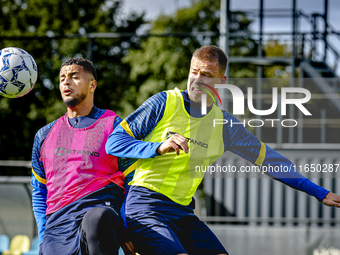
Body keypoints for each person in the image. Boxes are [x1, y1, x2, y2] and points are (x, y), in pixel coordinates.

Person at [105, 45, 340, 255]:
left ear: (221, 81)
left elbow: (271, 161)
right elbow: (114, 143)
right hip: (145, 205)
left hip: (182, 212)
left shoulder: (226, 126)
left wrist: (321, 193)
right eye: (193, 72)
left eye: (206, 75)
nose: (197, 80)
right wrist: (158, 147)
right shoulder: (163, 103)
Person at [31, 58, 136, 255]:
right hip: (58, 227)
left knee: (95, 219)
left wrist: (127, 226)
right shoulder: (44, 135)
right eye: (62, 78)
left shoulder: (115, 127)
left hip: (101, 215)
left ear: (92, 85)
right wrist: (44, 234)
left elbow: (133, 181)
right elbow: (39, 191)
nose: (66, 82)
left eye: (74, 76)